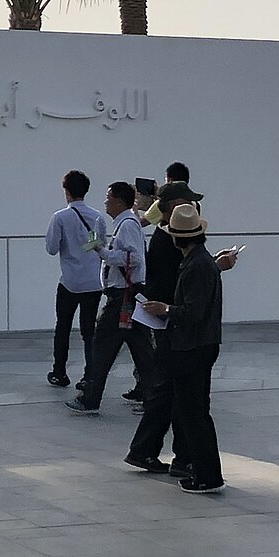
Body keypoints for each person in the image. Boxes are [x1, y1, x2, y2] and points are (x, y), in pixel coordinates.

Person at [126, 182, 238, 478]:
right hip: (177, 331)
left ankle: (164, 454)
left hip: (181, 330)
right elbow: (188, 293)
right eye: (187, 202)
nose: (193, 206)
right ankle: (177, 457)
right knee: (183, 401)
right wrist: (167, 309)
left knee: (179, 398)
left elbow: (192, 285)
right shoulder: (168, 244)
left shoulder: (183, 250)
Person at [141, 203, 226, 493]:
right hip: (202, 344)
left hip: (192, 347)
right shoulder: (201, 262)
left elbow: (192, 312)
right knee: (196, 413)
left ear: (177, 238)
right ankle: (205, 472)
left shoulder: (196, 266)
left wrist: (165, 309)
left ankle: (207, 475)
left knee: (194, 415)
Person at [66, 181, 149, 415]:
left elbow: (133, 258)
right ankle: (154, 396)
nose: (105, 202)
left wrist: (102, 251)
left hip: (121, 297)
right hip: (128, 296)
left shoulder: (127, 225)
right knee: (141, 349)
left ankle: (90, 398)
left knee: (101, 346)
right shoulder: (126, 223)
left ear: (119, 202)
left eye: (108, 197)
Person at [44, 170, 109, 388]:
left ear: (67, 191)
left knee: (62, 327)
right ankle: (90, 375)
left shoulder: (60, 217)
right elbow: (101, 245)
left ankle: (59, 372)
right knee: (89, 331)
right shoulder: (97, 217)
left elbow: (51, 248)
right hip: (93, 282)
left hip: (70, 282)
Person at [137, 161, 189, 228]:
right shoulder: (194, 202)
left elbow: (139, 224)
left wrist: (134, 208)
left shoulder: (163, 203)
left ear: (170, 180)